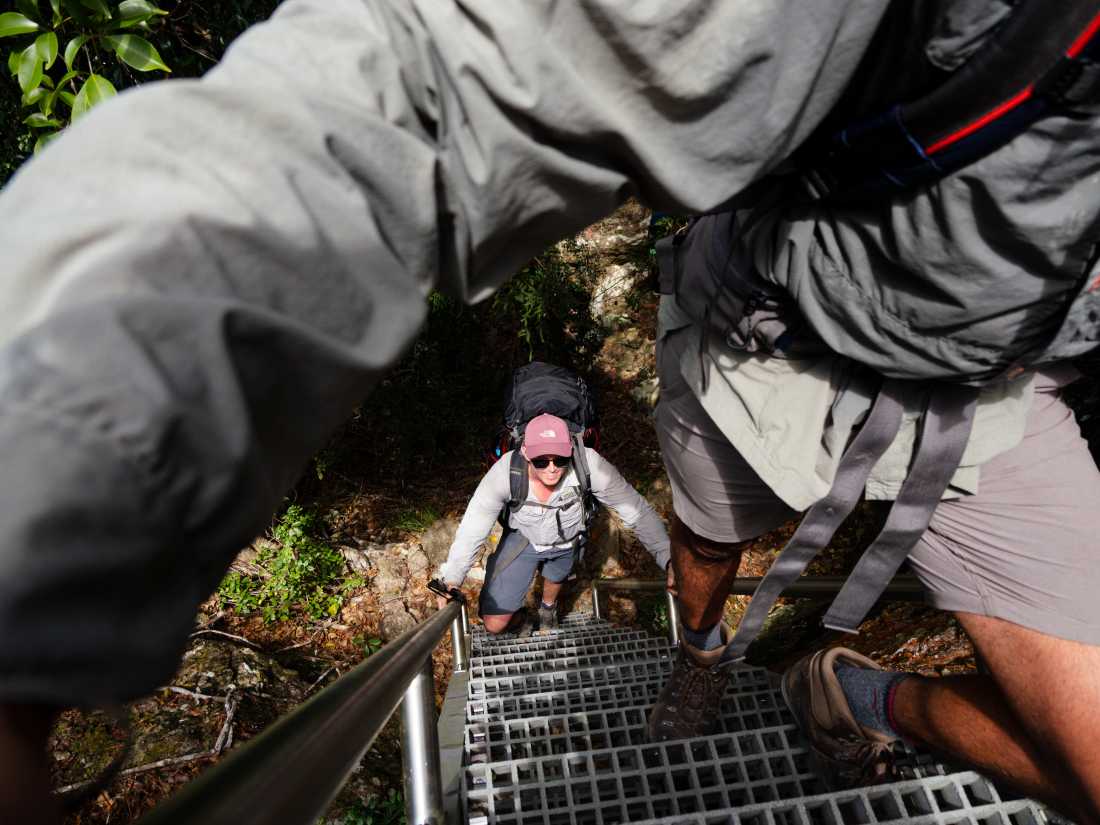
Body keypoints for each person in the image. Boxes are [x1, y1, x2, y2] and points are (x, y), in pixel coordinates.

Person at [0, 1, 1097, 823]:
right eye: (531, 462)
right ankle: (655, 653)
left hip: (995, 390)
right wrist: (45, 525)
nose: (537, 468)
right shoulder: (508, 482)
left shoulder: (574, 472)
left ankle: (829, 689)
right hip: (765, 360)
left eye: (543, 460)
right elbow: (424, 80)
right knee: (652, 561)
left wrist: (634, 537)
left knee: (643, 559)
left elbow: (622, 500)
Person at [432, 414, 672, 634]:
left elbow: (636, 510)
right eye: (541, 461)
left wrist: (669, 559)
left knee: (556, 575)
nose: (552, 469)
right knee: (494, 624)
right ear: (525, 453)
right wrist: (452, 578)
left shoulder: (588, 464)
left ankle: (548, 609)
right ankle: (522, 619)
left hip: (567, 539)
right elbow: (474, 524)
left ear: (570, 451)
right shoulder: (505, 472)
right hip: (524, 539)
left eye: (560, 459)